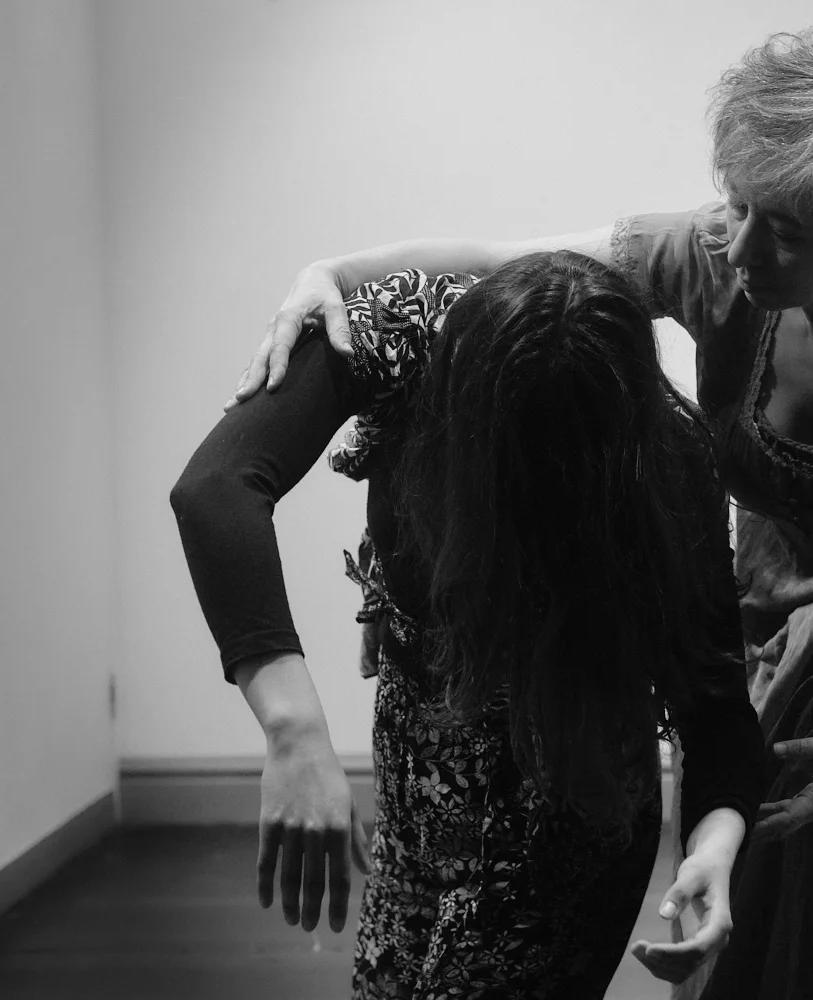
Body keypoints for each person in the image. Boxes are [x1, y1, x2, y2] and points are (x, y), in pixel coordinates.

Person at [230, 28, 813, 1000]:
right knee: (778, 804)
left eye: (784, 232)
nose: (738, 246)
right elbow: (507, 263)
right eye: (737, 206)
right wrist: (333, 273)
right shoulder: (724, 257)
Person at [172, 252, 766, 998]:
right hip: (416, 801)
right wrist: (293, 730)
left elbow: (715, 705)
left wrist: (714, 846)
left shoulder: (665, 466)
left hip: (572, 808)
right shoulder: (409, 338)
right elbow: (216, 491)